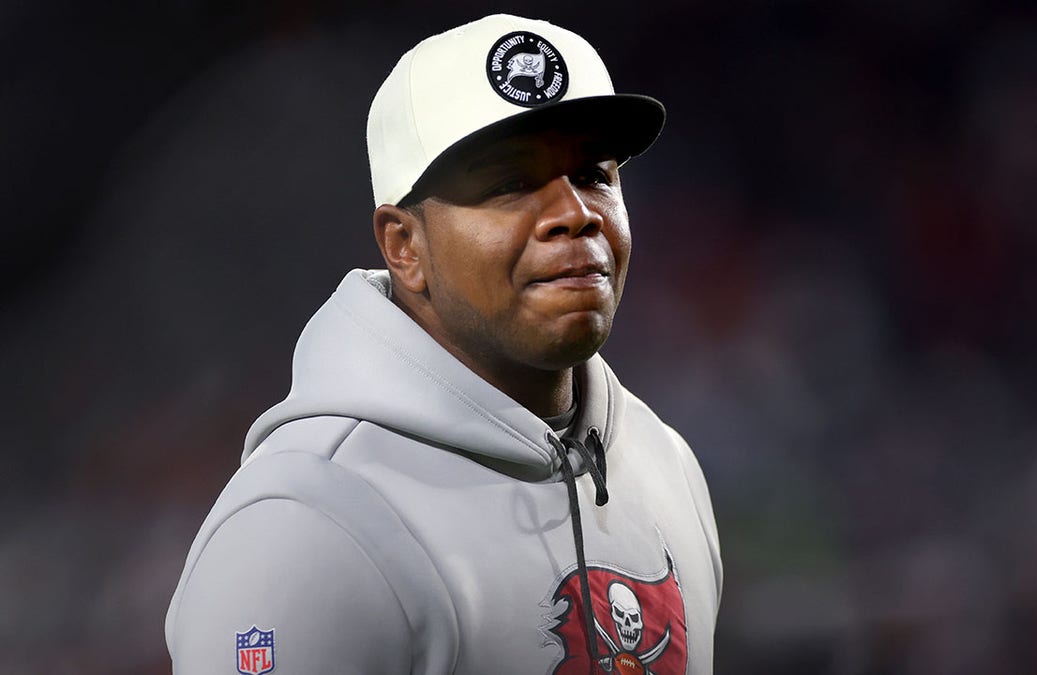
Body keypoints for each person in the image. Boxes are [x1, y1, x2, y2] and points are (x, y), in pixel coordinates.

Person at [165, 13, 722, 675]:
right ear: (405, 247)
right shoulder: (307, 526)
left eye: (595, 174)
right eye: (510, 184)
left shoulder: (665, 465)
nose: (574, 212)